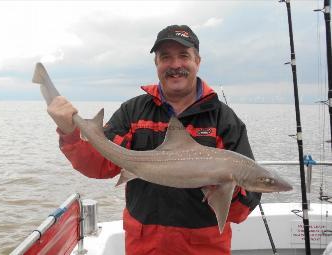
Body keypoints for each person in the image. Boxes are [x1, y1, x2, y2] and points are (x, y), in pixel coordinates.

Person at [48, 25, 261, 255]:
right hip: (145, 247)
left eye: (184, 56)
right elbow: (99, 165)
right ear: (156, 64)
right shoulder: (134, 111)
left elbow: (242, 210)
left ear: (197, 61)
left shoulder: (223, 119)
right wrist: (69, 131)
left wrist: (222, 186)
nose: (175, 65)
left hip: (203, 249)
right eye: (166, 57)